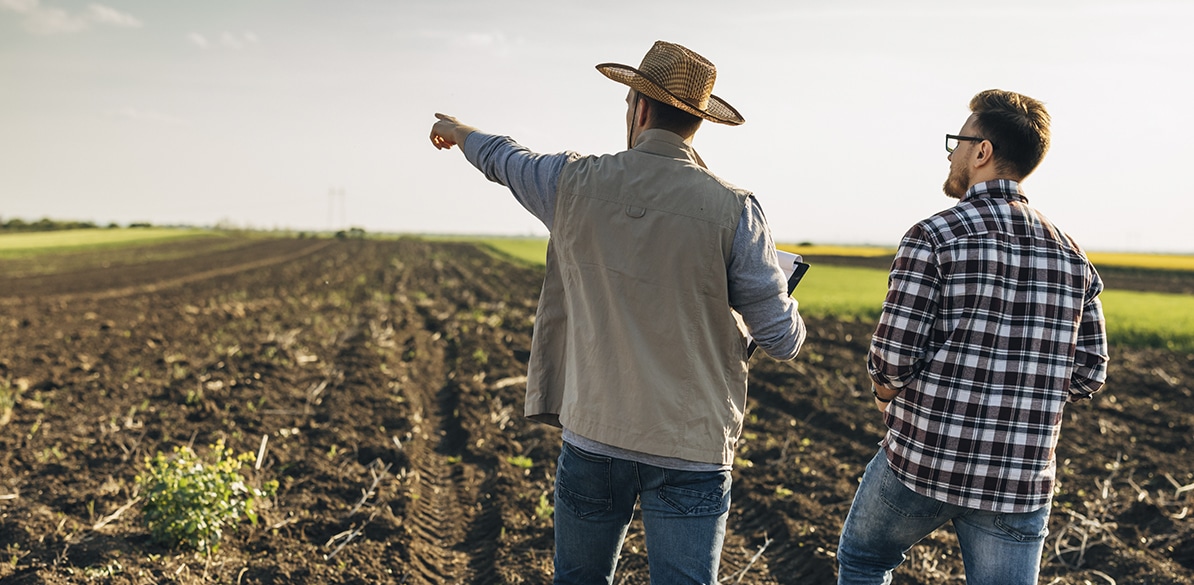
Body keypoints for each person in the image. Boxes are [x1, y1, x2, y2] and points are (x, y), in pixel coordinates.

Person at [429, 40, 806, 584]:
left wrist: (460, 131)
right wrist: (782, 289)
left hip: (594, 435)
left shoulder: (571, 182)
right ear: (697, 124)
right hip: (692, 448)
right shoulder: (736, 208)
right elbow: (781, 338)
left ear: (640, 108)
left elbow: (504, 159)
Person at [835, 89, 1110, 585]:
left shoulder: (934, 235)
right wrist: (1028, 392)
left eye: (957, 141)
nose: (950, 152)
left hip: (924, 461)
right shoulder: (1073, 257)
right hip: (1020, 481)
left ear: (981, 151)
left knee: (864, 561)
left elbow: (892, 358)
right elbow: (1090, 372)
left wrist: (883, 396)